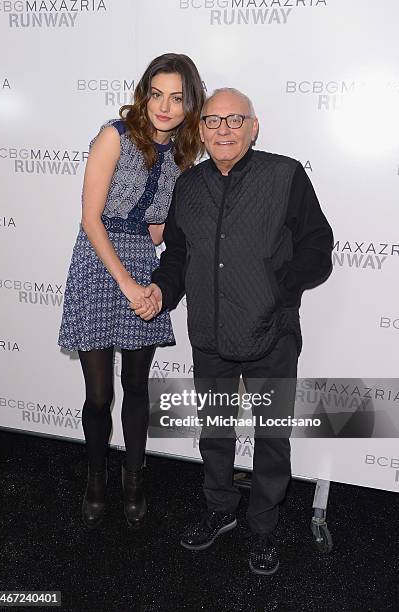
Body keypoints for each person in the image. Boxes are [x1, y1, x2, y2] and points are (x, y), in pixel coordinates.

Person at [134, 88, 333, 574]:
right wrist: (161, 289)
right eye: (213, 121)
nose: (223, 130)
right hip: (211, 336)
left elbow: (317, 244)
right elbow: (178, 255)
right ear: (200, 129)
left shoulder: (284, 175)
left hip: (271, 335)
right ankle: (219, 511)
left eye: (234, 120)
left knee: (271, 438)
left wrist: (279, 290)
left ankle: (264, 530)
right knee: (215, 433)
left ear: (253, 126)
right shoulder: (189, 186)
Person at [58, 53, 205, 530]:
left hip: (143, 264)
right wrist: (127, 281)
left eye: (177, 98)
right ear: (145, 94)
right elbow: (90, 217)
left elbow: (159, 228)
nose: (164, 106)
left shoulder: (184, 156)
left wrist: (148, 279)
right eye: (157, 94)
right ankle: (95, 479)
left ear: (189, 106)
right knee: (99, 394)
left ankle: (133, 479)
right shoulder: (113, 136)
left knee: (136, 388)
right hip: (100, 266)